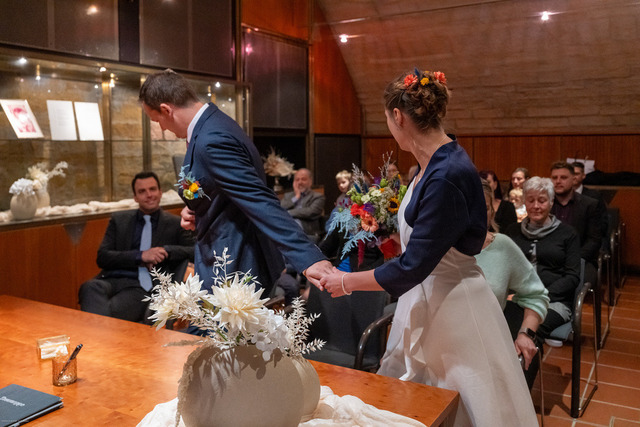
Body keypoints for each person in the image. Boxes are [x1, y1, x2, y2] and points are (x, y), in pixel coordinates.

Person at [320, 69, 537, 426]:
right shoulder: (431, 164)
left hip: (453, 308)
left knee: (463, 403)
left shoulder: (447, 173)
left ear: (398, 116)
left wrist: (345, 282)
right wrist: (391, 238)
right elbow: (434, 239)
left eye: (387, 120)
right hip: (427, 295)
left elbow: (414, 266)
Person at [138, 69, 332, 300]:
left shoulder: (211, 139)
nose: (162, 128)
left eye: (157, 120)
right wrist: (197, 209)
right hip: (226, 254)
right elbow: (221, 189)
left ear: (166, 109)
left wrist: (309, 258)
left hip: (235, 263)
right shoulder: (212, 123)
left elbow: (258, 199)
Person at [78, 171, 195, 323]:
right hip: (111, 279)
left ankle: (97, 333)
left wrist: (166, 250)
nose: (149, 195)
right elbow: (103, 257)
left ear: (160, 192)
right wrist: (141, 256)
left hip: (142, 285)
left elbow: (194, 251)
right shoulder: (119, 220)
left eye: (152, 189)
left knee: (107, 311)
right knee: (89, 287)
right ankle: (101, 332)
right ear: (135, 197)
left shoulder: (175, 224)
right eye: (142, 191)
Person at [475, 179, 549, 388]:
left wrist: (526, 333)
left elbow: (536, 295)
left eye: (485, 208)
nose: (478, 214)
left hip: (487, 346)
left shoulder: (502, 246)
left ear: (492, 212)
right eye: (471, 206)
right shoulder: (440, 248)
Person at [506, 177, 581, 342]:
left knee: (529, 332)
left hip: (553, 301)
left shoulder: (568, 234)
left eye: (541, 201)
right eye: (530, 200)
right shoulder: (512, 231)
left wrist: (541, 295)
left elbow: (572, 277)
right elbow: (505, 268)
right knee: (500, 328)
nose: (536, 206)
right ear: (524, 202)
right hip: (517, 298)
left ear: (551, 202)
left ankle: (526, 359)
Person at [549, 161, 601, 287]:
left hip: (580, 258)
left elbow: (594, 240)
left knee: (581, 282)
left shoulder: (589, 204)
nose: (558, 181)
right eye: (554, 178)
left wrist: (574, 259)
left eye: (563, 177)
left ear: (573, 180)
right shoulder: (546, 204)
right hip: (550, 258)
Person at [280, 168, 325, 243]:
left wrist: (288, 213)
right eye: (297, 180)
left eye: (303, 179)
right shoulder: (288, 196)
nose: (300, 182)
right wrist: (296, 197)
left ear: (310, 181)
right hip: (287, 227)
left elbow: (310, 211)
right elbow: (280, 209)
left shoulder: (317, 197)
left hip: (307, 231)